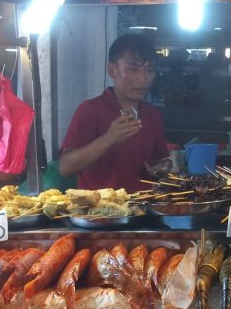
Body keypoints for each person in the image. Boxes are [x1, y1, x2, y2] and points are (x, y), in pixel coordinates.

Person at [59, 34, 169, 191]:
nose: (142, 79)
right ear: (112, 69)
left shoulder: (152, 115)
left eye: (149, 70)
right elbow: (65, 168)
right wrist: (109, 139)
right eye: (133, 69)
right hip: (99, 212)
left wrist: (162, 168)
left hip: (143, 210)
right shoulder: (90, 110)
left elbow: (159, 162)